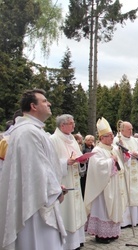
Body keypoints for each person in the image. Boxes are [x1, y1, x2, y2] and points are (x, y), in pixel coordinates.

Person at [0, 89, 67, 250]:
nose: (49, 103)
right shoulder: (28, 132)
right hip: (35, 204)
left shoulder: (33, 130)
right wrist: (56, 191)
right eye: (44, 101)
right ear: (33, 106)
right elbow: (37, 170)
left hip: (41, 197)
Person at [84, 117, 127, 244]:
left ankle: (112, 232)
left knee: (114, 207)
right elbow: (97, 167)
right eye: (108, 136)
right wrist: (111, 161)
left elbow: (121, 162)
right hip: (103, 186)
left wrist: (120, 153)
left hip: (114, 183)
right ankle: (101, 235)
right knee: (103, 208)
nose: (111, 138)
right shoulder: (97, 150)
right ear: (102, 138)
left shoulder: (112, 148)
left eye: (112, 135)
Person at [50, 114, 86, 249]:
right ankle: (67, 243)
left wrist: (82, 160)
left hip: (74, 177)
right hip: (64, 179)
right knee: (68, 211)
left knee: (76, 210)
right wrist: (65, 162)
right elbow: (50, 162)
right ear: (62, 125)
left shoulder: (72, 139)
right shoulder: (53, 139)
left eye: (73, 122)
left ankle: (77, 240)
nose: (74, 125)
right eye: (71, 123)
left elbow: (78, 155)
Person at [114, 121, 138, 228]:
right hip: (126, 172)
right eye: (129, 129)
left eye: (132, 129)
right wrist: (127, 156)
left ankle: (137, 219)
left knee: (136, 195)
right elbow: (116, 155)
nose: (131, 131)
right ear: (121, 130)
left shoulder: (134, 140)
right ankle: (125, 221)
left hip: (135, 170)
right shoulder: (117, 140)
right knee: (126, 195)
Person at [80, 134, 95, 199]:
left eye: (92, 140)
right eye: (89, 140)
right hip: (85, 168)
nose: (91, 142)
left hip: (92, 168)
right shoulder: (83, 148)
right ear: (85, 141)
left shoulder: (93, 148)